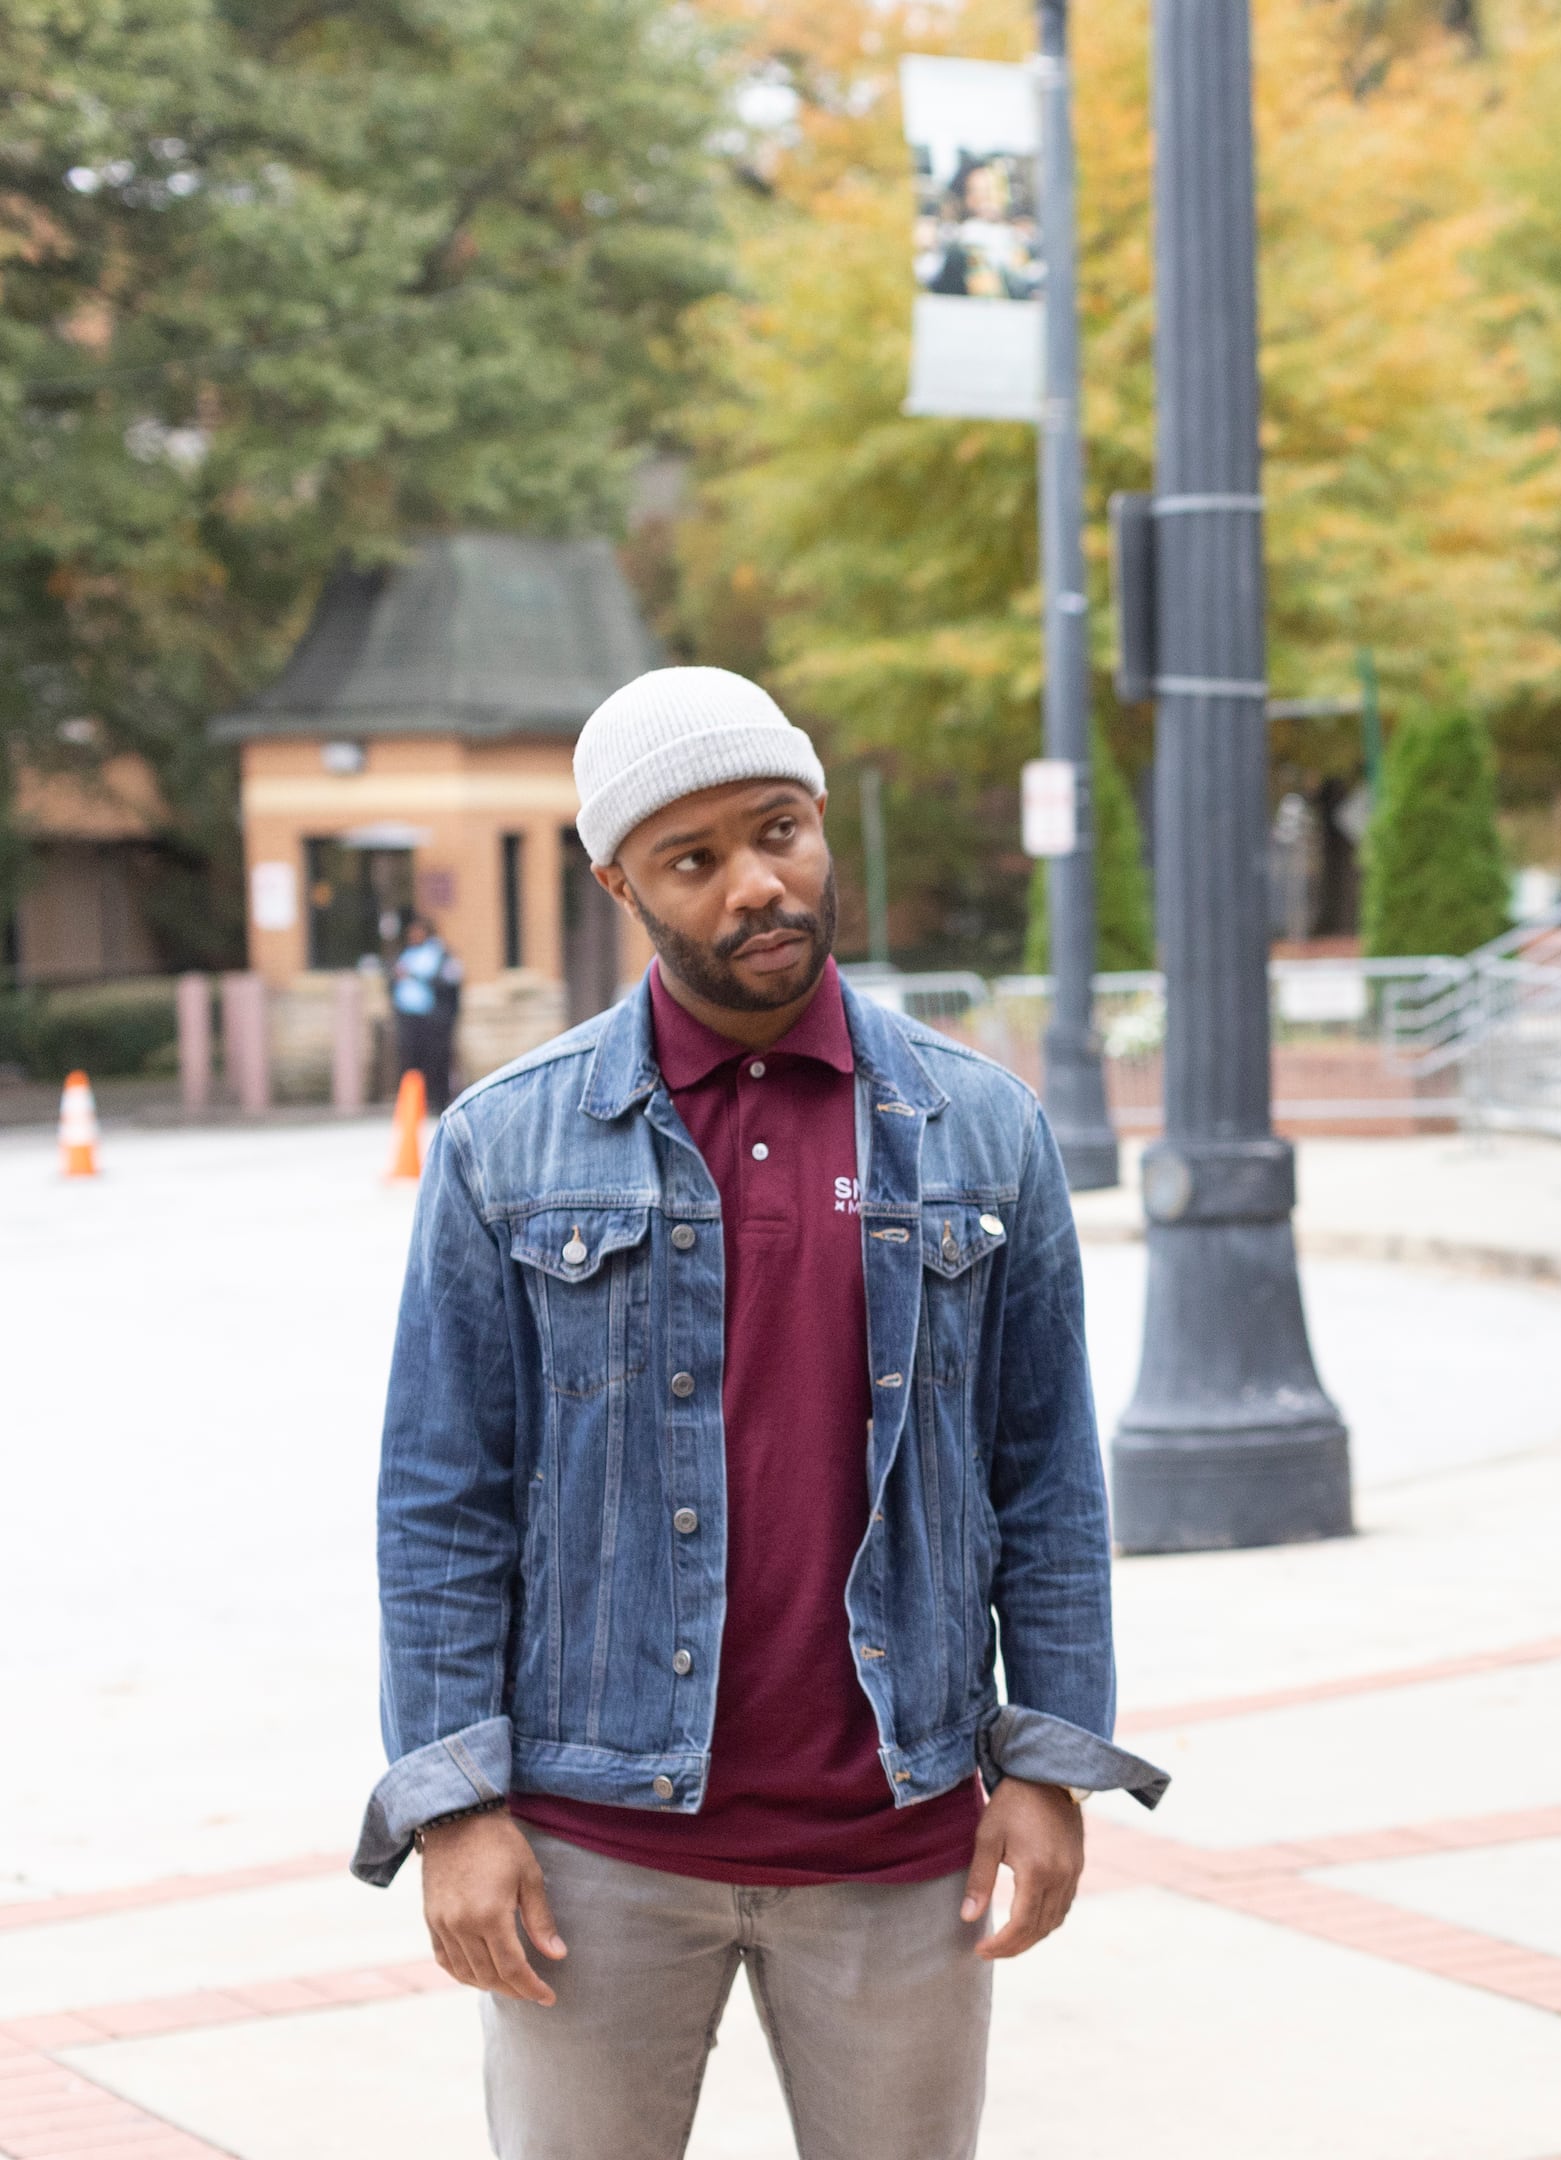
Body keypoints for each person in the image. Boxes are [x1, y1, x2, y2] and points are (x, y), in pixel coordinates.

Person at [360, 665, 1166, 2160]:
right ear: (621, 882)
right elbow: (442, 1501)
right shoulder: (502, 1146)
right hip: (592, 1842)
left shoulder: (980, 1129)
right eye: (696, 859)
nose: (758, 884)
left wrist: (1054, 1761)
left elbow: (1046, 1474)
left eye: (781, 831)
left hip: (895, 1836)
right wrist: (450, 1805)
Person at [392, 914, 465, 1110]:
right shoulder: (407, 953)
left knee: (436, 1061)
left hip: (434, 1020)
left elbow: (448, 982)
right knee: (412, 1062)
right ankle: (413, 1103)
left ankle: (438, 1101)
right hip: (410, 1017)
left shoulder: (440, 954)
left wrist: (414, 975)